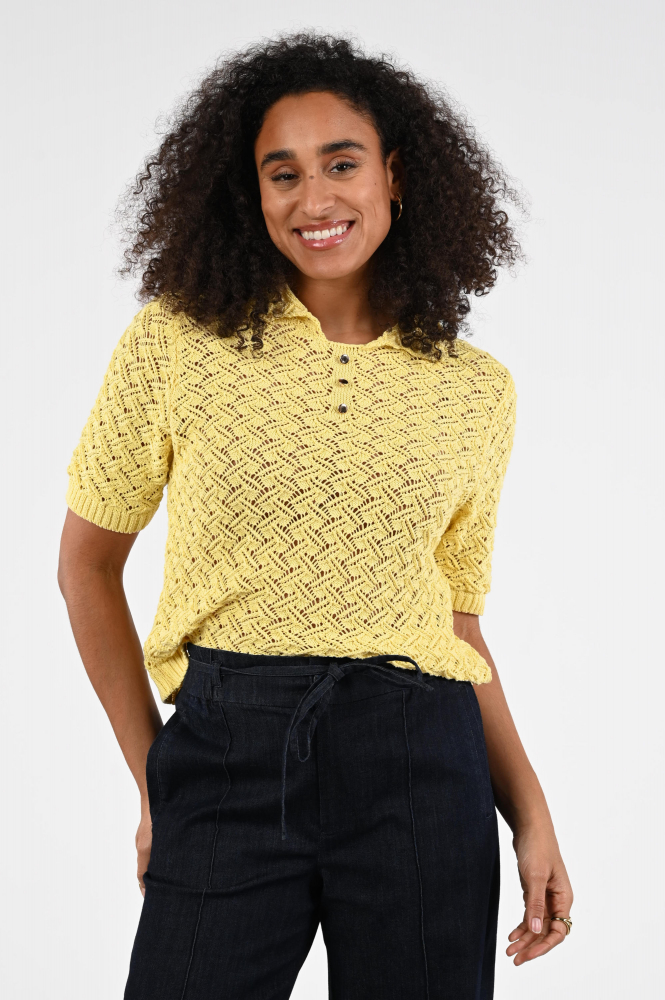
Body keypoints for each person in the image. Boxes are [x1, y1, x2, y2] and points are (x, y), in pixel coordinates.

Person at [58, 33, 573, 1000]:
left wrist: (530, 813)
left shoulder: (475, 390)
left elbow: (456, 625)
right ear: (249, 192)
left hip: (422, 764)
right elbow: (86, 565)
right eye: (281, 172)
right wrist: (155, 780)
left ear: (395, 176)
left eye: (341, 164)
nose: (314, 199)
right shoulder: (176, 341)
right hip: (225, 753)